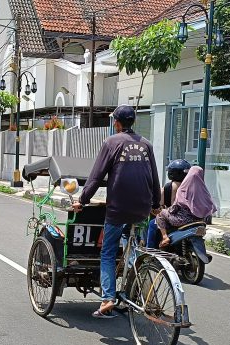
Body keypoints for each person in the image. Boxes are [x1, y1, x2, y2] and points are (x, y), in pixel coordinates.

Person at [72, 105, 161, 319]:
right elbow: (155, 177)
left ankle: (108, 298)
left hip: (118, 208)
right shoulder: (146, 144)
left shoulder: (111, 142)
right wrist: (156, 204)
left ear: (117, 123)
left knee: (108, 252)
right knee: (134, 249)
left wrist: (82, 200)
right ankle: (141, 289)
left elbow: (96, 177)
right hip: (142, 208)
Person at [155, 166, 216, 247]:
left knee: (160, 214)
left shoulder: (183, 188)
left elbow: (176, 206)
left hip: (182, 221)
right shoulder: (204, 190)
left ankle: (165, 237)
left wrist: (168, 210)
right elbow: (209, 207)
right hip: (199, 222)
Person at [146, 159, 191, 248]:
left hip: (175, 220)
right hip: (192, 219)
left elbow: (156, 207)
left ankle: (150, 251)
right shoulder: (193, 185)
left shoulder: (168, 187)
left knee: (152, 224)